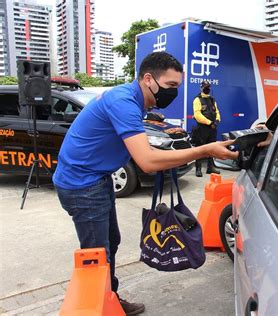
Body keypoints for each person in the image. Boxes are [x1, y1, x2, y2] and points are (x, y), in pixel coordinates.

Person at [52, 52, 237, 315]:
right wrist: (204, 150)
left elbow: (137, 143)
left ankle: (110, 298)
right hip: (82, 185)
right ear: (148, 79)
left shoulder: (133, 99)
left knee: (110, 242)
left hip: (96, 179)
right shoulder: (123, 102)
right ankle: (95, 307)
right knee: (96, 254)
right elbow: (147, 162)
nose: (173, 93)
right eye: (171, 86)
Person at [191, 80, 221, 177]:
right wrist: (209, 122)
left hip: (212, 128)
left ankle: (210, 167)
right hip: (202, 128)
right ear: (201, 88)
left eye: (208, 87)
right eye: (205, 87)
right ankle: (198, 169)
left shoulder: (212, 99)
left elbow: (217, 112)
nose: (207, 88)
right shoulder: (197, 100)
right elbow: (197, 115)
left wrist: (217, 121)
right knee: (200, 148)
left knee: (212, 148)